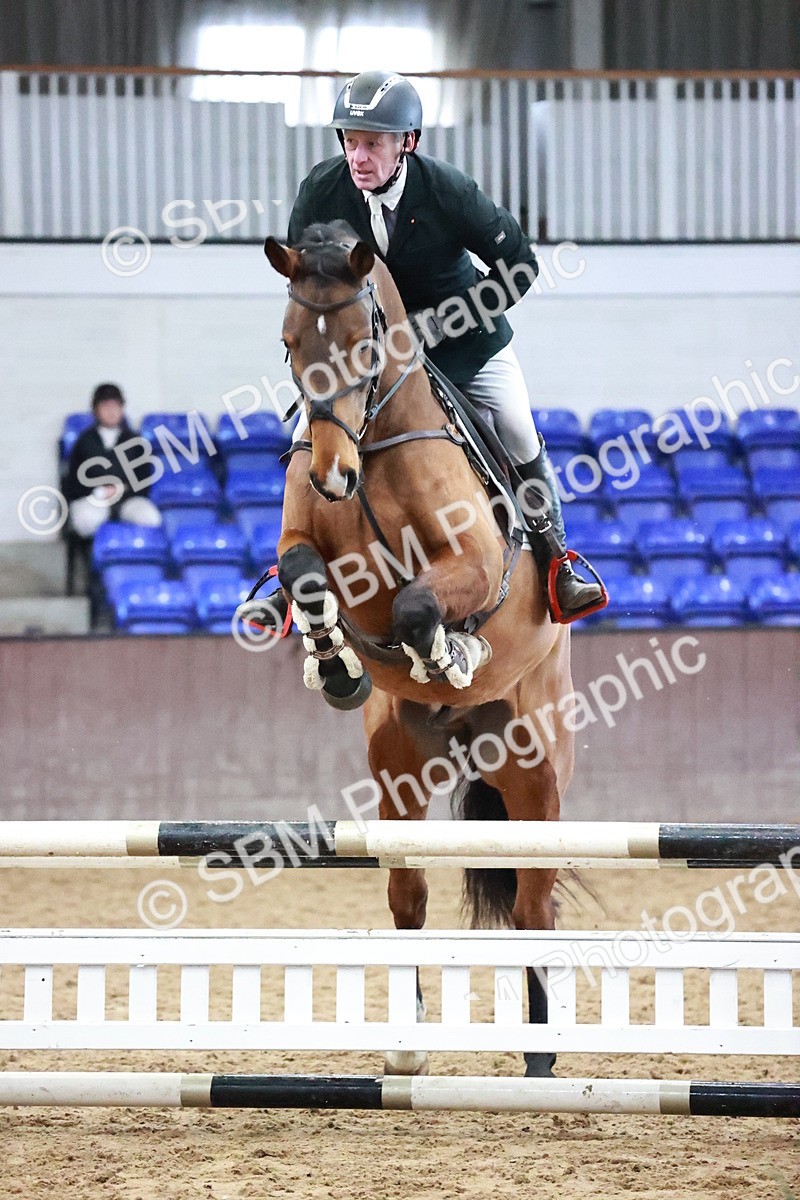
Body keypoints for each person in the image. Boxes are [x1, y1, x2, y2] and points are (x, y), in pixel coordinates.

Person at [286, 71, 605, 623]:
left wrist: (438, 325)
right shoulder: (322, 189)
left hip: (465, 344)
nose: (358, 157)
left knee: (516, 426)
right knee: (307, 434)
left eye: (373, 144)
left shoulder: (447, 190)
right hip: (371, 354)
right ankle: (282, 573)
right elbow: (305, 276)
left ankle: (557, 563)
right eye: (350, 142)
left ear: (406, 142)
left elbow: (520, 268)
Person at [63, 383, 162, 538]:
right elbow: (73, 483)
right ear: (95, 410)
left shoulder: (135, 441)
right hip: (93, 498)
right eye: (105, 406)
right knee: (86, 521)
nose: (111, 411)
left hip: (128, 499)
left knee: (150, 518)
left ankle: (134, 558)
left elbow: (144, 480)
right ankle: (94, 558)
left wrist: (122, 489)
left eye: (116, 406)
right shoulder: (84, 441)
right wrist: (99, 491)